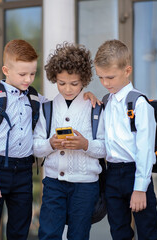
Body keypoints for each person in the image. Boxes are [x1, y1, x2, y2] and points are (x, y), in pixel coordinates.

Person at [0, 39, 100, 240]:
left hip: (24, 173)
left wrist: (87, 94)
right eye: (22, 74)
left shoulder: (35, 99)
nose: (28, 79)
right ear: (6, 70)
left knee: (19, 230)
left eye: (32, 74)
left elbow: (62, 104)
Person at [33, 42, 106, 240]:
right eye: (61, 83)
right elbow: (36, 148)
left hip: (85, 185)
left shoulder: (95, 108)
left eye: (74, 84)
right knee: (48, 234)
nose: (67, 89)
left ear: (84, 79)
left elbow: (106, 148)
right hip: (53, 183)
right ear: (54, 78)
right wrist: (51, 144)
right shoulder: (47, 109)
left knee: (78, 236)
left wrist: (85, 145)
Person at [94, 39, 157, 240]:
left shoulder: (139, 103)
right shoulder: (107, 101)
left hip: (136, 173)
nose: (106, 83)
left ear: (127, 70)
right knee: (118, 231)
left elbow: (145, 149)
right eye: (101, 78)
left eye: (110, 77)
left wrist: (140, 188)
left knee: (148, 231)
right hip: (112, 174)